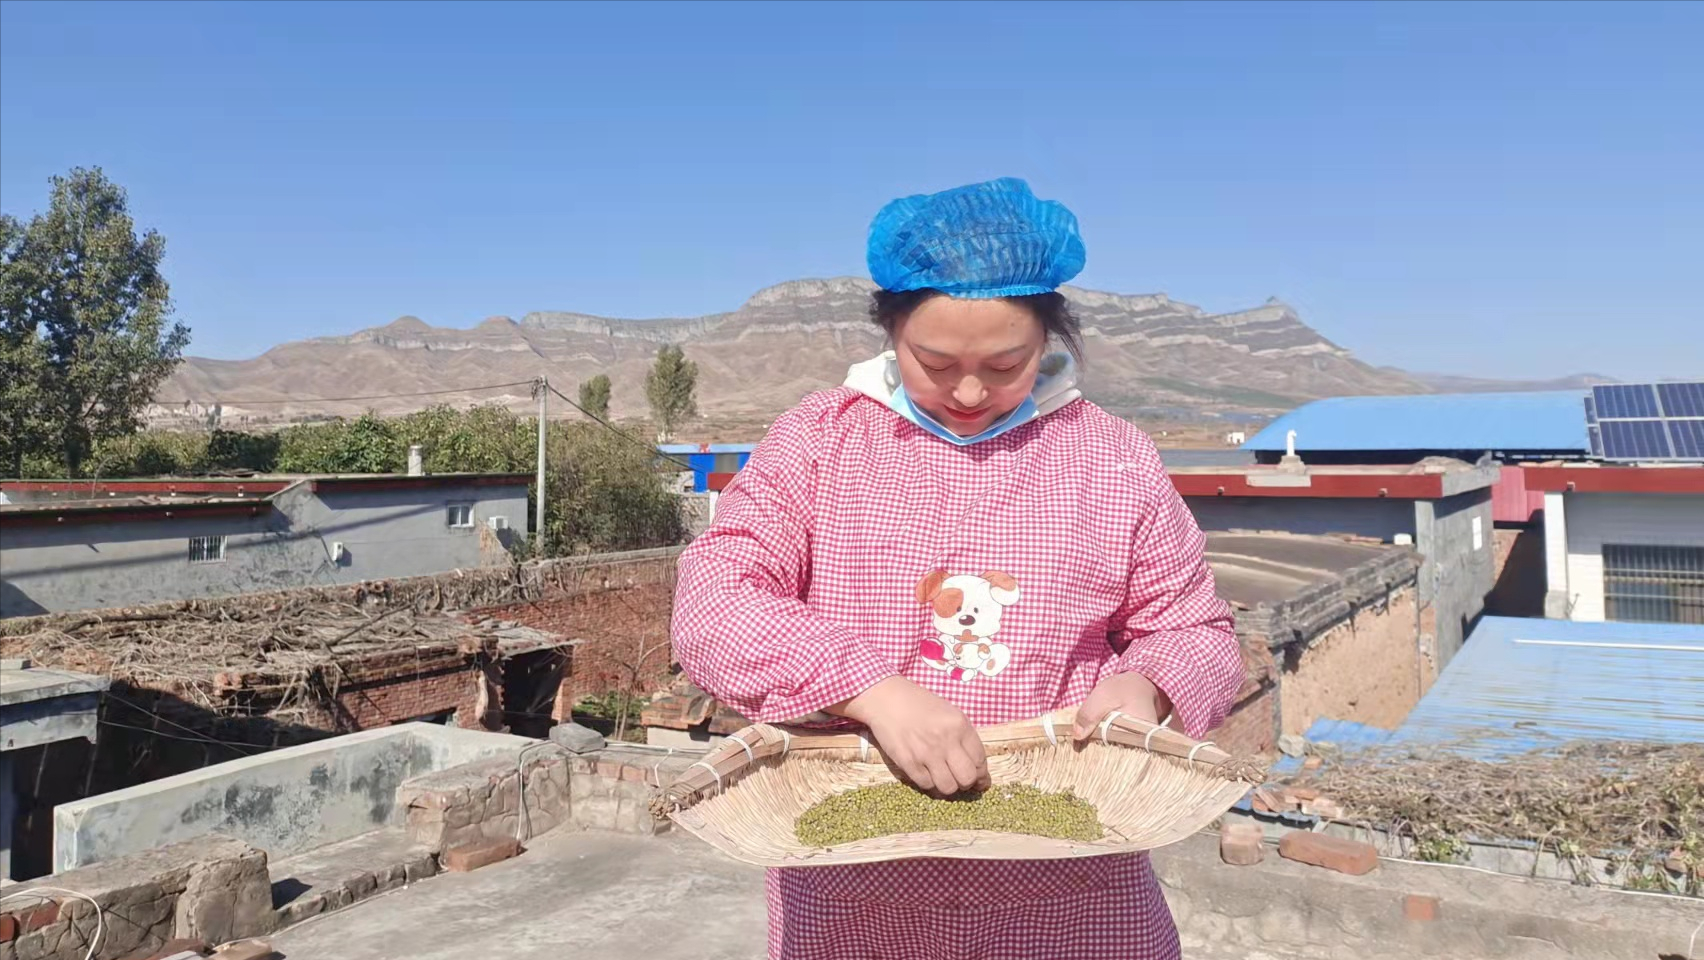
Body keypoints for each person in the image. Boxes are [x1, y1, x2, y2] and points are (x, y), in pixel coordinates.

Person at [672, 177, 1243, 960]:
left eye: (1006, 364)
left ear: (1048, 338)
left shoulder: (1111, 458)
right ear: (890, 330)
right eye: (934, 363)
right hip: (854, 891)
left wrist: (1145, 684)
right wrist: (870, 691)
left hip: (1073, 884)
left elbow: (1193, 626)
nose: (971, 392)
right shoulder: (821, 442)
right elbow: (715, 601)